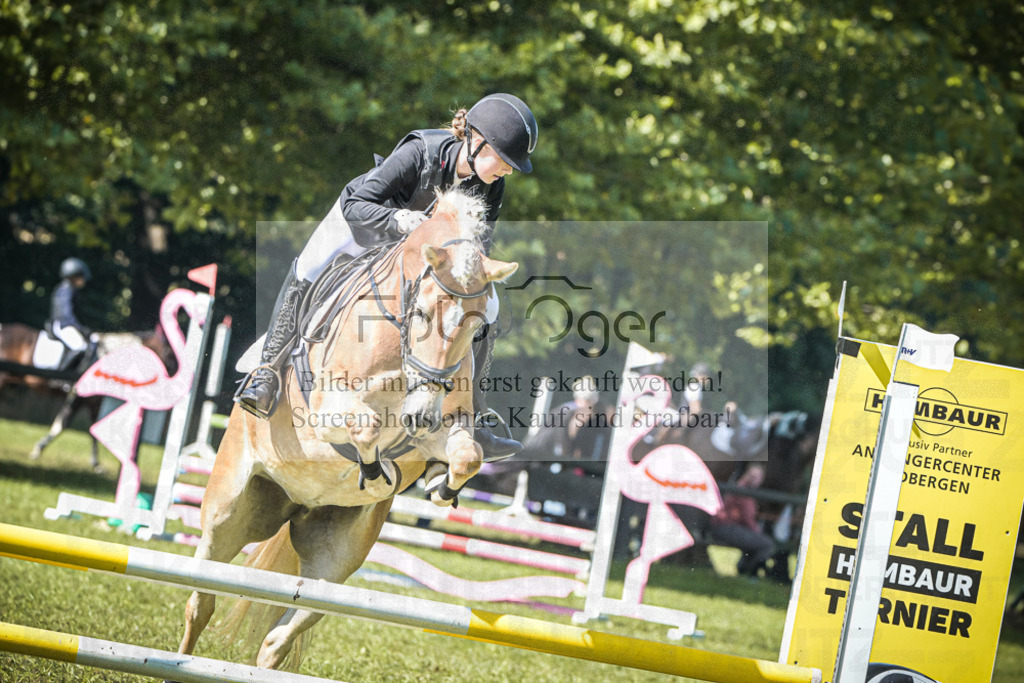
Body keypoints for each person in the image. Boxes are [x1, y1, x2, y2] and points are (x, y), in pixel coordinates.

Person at [235, 93, 538, 459]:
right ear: (476, 140)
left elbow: (480, 238)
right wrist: (397, 220)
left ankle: (470, 415)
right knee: (309, 266)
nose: (507, 169)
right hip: (367, 224)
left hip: (423, 256)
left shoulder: (491, 183)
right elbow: (356, 203)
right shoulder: (420, 150)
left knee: (484, 311)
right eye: (504, 160)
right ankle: (267, 370)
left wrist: (478, 274)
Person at [708, 463, 775, 578]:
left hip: (725, 527)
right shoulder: (744, 491)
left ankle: (744, 570)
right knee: (766, 544)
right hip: (725, 527)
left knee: (758, 542)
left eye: (758, 476)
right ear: (747, 474)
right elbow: (747, 517)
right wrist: (758, 532)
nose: (755, 479)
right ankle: (748, 573)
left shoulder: (741, 487)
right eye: (753, 475)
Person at [48, 257, 97, 371]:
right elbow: (67, 314)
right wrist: (80, 329)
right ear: (73, 276)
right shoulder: (67, 290)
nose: (83, 280)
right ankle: (60, 377)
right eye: (81, 277)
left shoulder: (66, 288)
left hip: (64, 324)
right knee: (80, 346)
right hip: (64, 325)